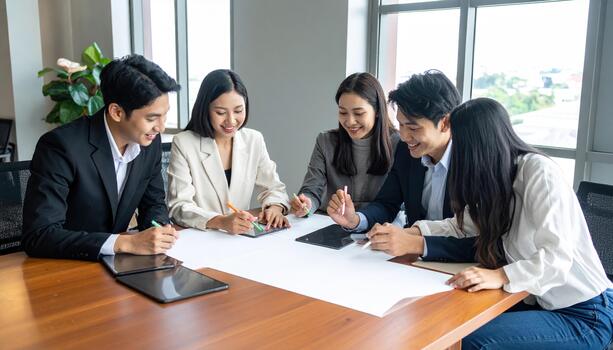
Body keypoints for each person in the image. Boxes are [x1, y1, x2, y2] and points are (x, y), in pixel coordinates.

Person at [374, 97, 613, 349]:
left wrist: (500, 275)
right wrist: (412, 230)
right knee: (442, 323)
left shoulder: (538, 172)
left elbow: (557, 258)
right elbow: (461, 225)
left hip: (586, 314)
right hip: (541, 302)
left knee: (472, 342)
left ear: (478, 145)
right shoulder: (496, 177)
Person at [22, 54, 180, 261]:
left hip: (122, 266)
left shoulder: (148, 143)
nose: (160, 127)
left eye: (165, 115)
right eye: (152, 118)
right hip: (66, 267)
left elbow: (153, 203)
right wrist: (125, 243)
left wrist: (159, 230)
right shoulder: (60, 147)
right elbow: (40, 235)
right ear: (116, 112)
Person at [327, 70, 474, 261]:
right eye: (400, 125)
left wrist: (417, 244)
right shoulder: (407, 152)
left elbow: (480, 240)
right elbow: (387, 203)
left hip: (461, 266)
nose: (404, 137)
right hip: (412, 262)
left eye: (413, 128)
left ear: (445, 123)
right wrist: (355, 220)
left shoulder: (473, 160)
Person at [167, 69, 290, 234]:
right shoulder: (184, 143)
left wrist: (275, 207)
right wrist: (220, 221)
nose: (231, 120)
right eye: (220, 112)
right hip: (201, 238)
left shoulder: (254, 139)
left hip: (241, 238)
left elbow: (274, 187)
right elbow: (179, 207)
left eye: (238, 111)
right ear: (205, 109)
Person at [290, 72, 399, 217]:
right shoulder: (326, 141)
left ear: (378, 111)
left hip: (378, 225)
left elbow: (398, 203)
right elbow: (312, 189)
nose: (350, 121)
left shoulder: (399, 144)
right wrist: (307, 203)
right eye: (343, 112)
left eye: (359, 113)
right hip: (331, 223)